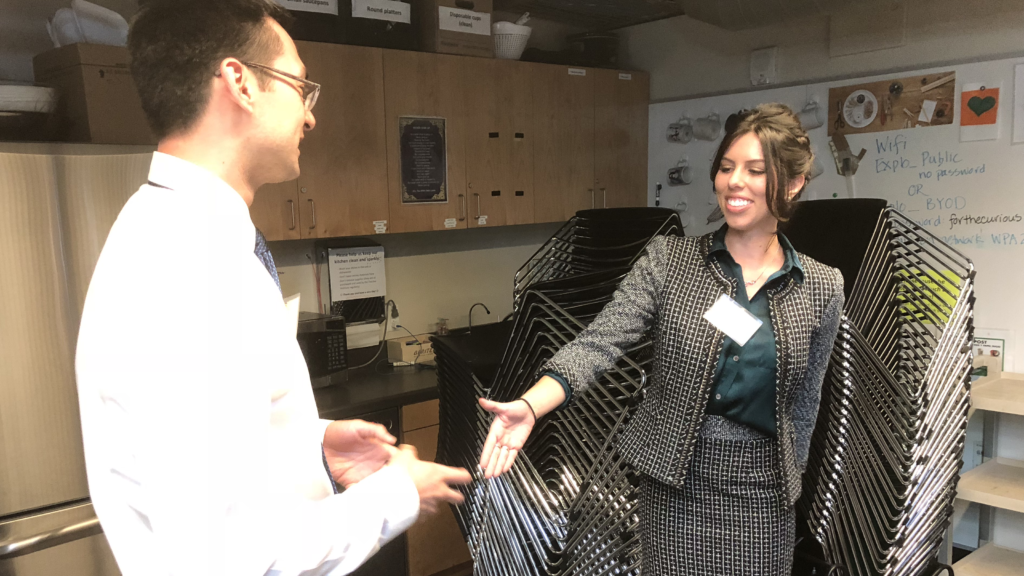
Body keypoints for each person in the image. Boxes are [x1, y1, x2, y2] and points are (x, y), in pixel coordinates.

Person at [75, 1, 471, 575]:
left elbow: (215, 448)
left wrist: (312, 445)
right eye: (299, 85)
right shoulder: (186, 265)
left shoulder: (191, 233)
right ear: (240, 83)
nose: (310, 116)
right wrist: (397, 495)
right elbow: (236, 555)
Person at [478, 103, 844, 576]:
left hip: (762, 493)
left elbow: (807, 401)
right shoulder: (671, 261)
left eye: (756, 170)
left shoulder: (820, 284)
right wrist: (530, 405)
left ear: (793, 185)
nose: (735, 182)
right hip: (675, 483)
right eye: (727, 167)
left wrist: (790, 478)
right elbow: (600, 342)